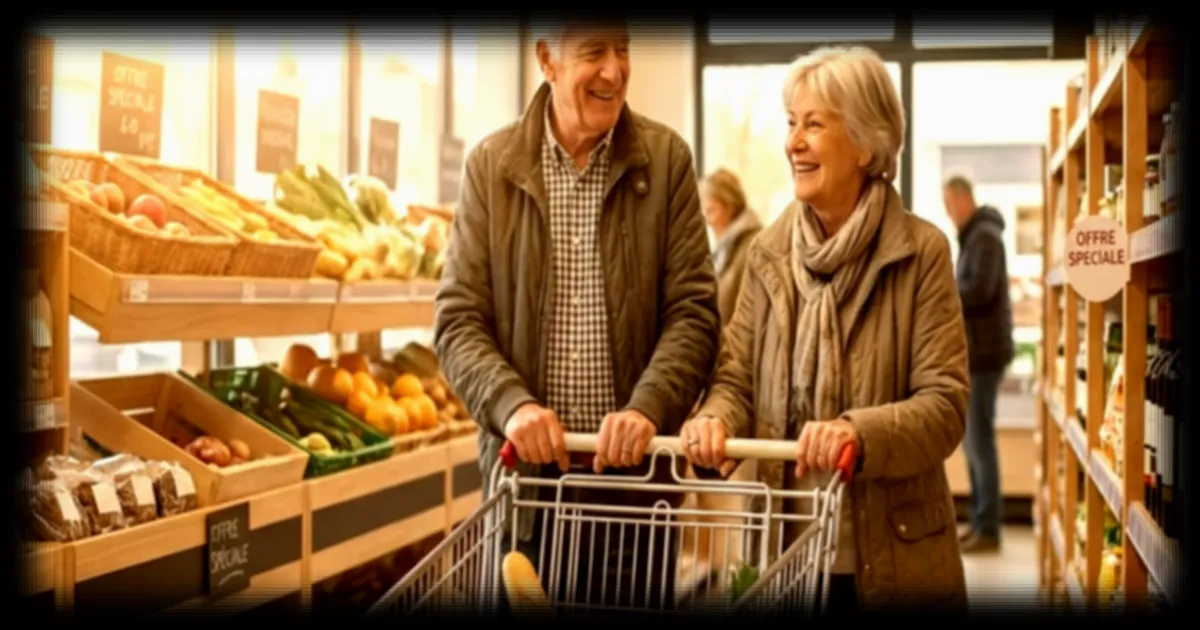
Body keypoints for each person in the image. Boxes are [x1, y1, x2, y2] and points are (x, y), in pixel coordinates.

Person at [434, 18, 720, 613]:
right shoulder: (491, 166)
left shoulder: (665, 161)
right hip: (529, 493)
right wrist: (511, 404)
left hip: (635, 491)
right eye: (594, 51)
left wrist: (649, 406)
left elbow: (693, 312)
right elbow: (458, 320)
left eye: (623, 49)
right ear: (547, 59)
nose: (615, 70)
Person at [680, 46, 970, 616]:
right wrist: (715, 417)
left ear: (866, 143)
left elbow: (945, 407)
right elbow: (735, 376)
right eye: (792, 123)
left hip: (895, 562)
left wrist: (856, 433)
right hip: (786, 559)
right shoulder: (767, 255)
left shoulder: (922, 252)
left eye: (814, 124)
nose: (794, 142)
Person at [943, 175, 1015, 554]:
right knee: (974, 443)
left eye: (948, 204)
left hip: (984, 356)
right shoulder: (977, 236)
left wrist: (943, 291)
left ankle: (988, 527)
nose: (947, 213)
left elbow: (979, 290)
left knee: (979, 442)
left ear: (961, 199)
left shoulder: (983, 236)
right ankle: (980, 522)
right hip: (979, 353)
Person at [701, 168, 763, 324]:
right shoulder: (724, 251)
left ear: (730, 207)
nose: (708, 221)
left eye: (711, 211)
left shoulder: (752, 247)